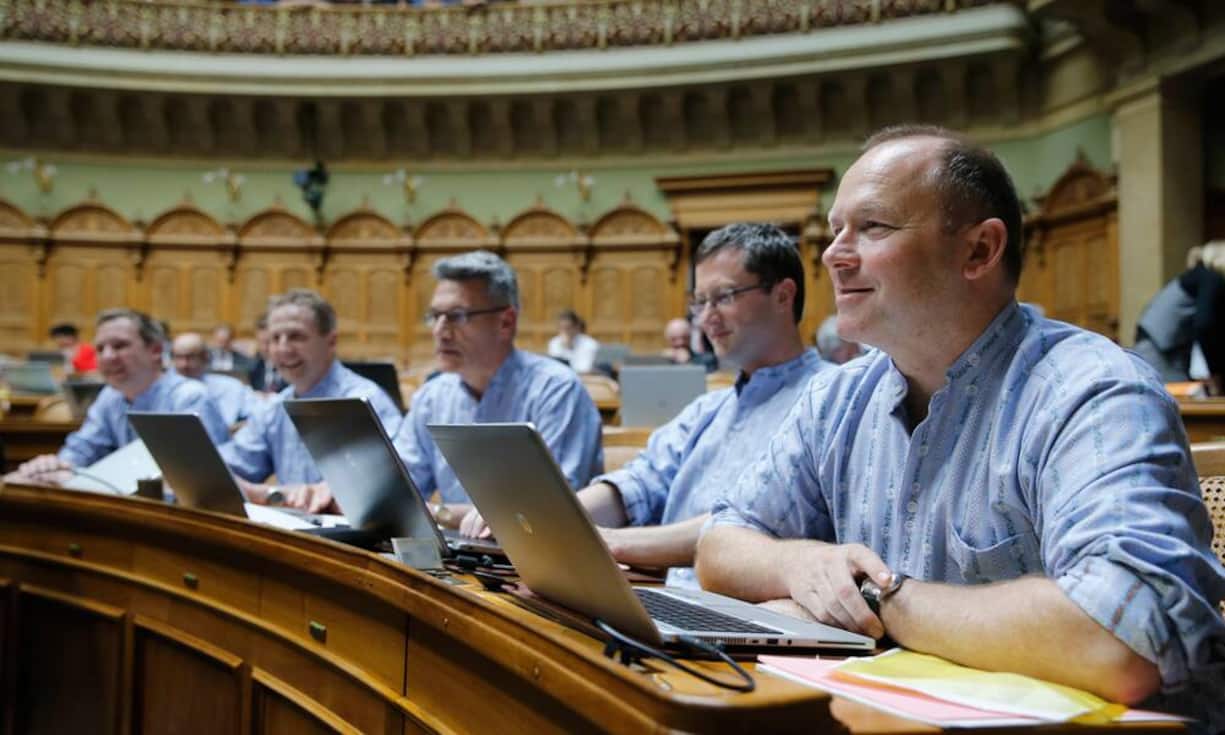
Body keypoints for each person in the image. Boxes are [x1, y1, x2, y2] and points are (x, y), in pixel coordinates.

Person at [696, 126, 1224, 724]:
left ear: (979, 251)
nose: (833, 253)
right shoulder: (838, 396)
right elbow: (720, 545)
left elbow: (1124, 642)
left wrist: (875, 599)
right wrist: (801, 566)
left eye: (872, 227)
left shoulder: (1093, 391)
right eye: (837, 228)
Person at [578, 223, 827, 587]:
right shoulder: (710, 407)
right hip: (670, 597)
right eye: (700, 301)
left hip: (753, 619)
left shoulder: (829, 396)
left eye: (724, 297)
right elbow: (641, 481)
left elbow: (751, 520)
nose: (707, 317)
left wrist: (614, 543)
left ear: (783, 295)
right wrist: (555, 518)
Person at [390, 250, 603, 533]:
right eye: (435, 316)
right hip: (455, 559)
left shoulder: (556, 391)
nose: (440, 331)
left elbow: (549, 513)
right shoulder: (432, 396)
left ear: (505, 323)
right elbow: (398, 493)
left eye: (457, 316)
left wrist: (439, 513)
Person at [219, 289, 402, 510]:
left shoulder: (365, 400)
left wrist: (262, 493)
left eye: (296, 337)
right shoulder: (274, 408)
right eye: (275, 338)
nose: (283, 349)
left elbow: (390, 488)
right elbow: (227, 469)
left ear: (331, 341)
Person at [8, 309, 229, 483]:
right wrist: (53, 467)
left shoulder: (189, 397)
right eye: (100, 348)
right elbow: (82, 449)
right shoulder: (110, 396)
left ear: (155, 350)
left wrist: (76, 476)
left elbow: (199, 485)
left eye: (120, 346)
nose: (107, 356)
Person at [1133, 241, 1225, 389]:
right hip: (1159, 349)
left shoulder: (1199, 276)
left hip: (1157, 344)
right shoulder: (1211, 278)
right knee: (1172, 401)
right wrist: (1215, 373)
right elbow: (1205, 325)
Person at [170, 332, 258, 426]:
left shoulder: (231, 386)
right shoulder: (162, 390)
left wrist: (236, 430)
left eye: (190, 357)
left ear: (205, 357)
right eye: (178, 357)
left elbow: (255, 416)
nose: (184, 364)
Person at [547, 309, 600, 373]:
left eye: (568, 328)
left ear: (576, 327)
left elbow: (585, 368)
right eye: (561, 328)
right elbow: (555, 367)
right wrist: (565, 346)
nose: (565, 332)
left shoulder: (590, 344)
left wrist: (569, 347)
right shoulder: (554, 342)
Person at [247, 311, 286, 394]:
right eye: (260, 342)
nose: (264, 348)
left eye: (268, 342)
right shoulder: (254, 368)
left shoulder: (295, 368)